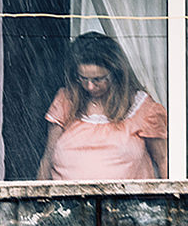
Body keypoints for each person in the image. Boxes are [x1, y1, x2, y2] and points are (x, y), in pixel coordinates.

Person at [37, 31, 169, 181]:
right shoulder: (66, 101)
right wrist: (37, 201)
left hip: (128, 203)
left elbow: (163, 161)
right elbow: (48, 157)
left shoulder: (143, 108)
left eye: (98, 79)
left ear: (115, 74)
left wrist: (172, 201)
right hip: (68, 203)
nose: (90, 87)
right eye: (83, 79)